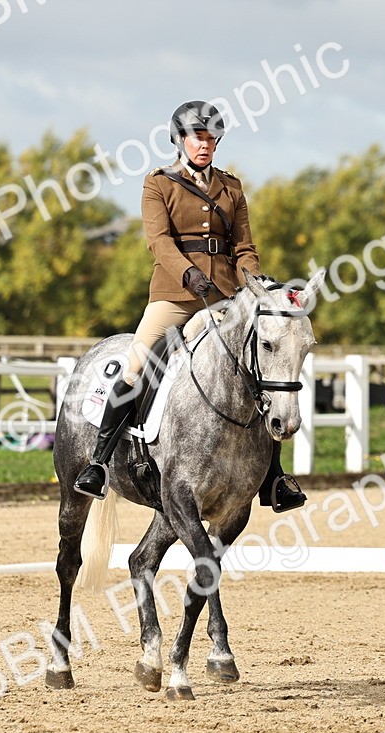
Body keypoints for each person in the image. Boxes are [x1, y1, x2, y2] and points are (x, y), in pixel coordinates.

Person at [73, 100, 306, 512]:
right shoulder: (158, 184)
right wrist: (188, 275)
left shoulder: (231, 187)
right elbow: (159, 242)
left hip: (228, 299)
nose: (207, 144)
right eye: (199, 137)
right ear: (180, 139)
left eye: (212, 138)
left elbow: (244, 247)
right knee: (138, 362)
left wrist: (254, 282)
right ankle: (99, 462)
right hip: (176, 296)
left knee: (256, 371)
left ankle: (273, 478)